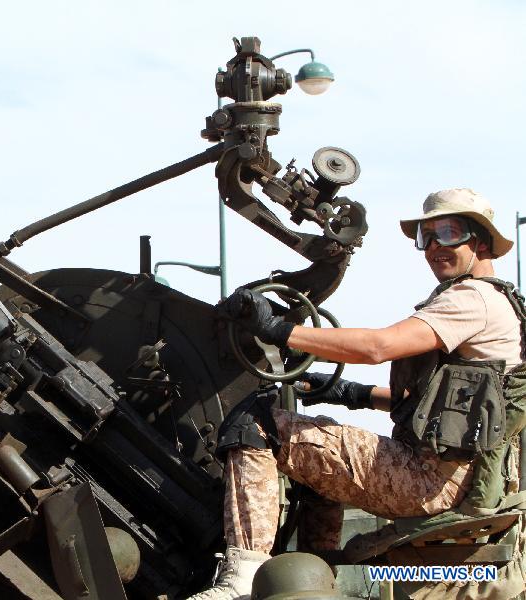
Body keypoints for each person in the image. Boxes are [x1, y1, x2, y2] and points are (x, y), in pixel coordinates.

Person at [188, 188, 526, 600]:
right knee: (318, 460)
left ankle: (242, 581)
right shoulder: (503, 303)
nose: (434, 246)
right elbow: (445, 411)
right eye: (426, 236)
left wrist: (282, 331)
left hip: (427, 480)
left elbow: (377, 346)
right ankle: (316, 571)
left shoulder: (472, 298)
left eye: (448, 232)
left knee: (257, 427)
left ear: (481, 240)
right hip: (455, 479)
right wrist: (353, 394)